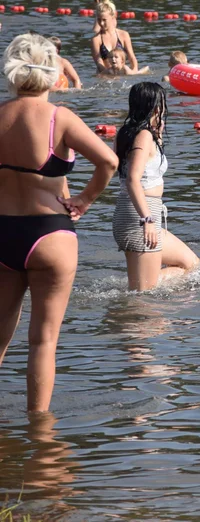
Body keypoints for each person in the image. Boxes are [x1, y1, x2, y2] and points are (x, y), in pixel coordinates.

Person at [0, 33, 118, 412]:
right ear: (53, 74)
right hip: (50, 233)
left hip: (3, 231)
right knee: (42, 342)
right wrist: (84, 199)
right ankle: (39, 434)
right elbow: (110, 162)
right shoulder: (60, 118)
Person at [112, 82, 200, 291]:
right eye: (161, 103)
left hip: (131, 212)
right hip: (141, 215)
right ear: (154, 106)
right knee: (145, 297)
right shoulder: (143, 136)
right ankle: (130, 296)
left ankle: (131, 290)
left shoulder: (125, 133)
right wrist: (147, 220)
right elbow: (133, 180)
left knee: (192, 264)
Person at [91, 0, 139, 74]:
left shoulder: (124, 35)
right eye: (99, 20)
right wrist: (109, 73)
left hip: (121, 74)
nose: (101, 23)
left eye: (104, 20)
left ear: (112, 17)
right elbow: (99, 62)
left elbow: (131, 57)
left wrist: (134, 71)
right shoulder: (96, 39)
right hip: (105, 74)